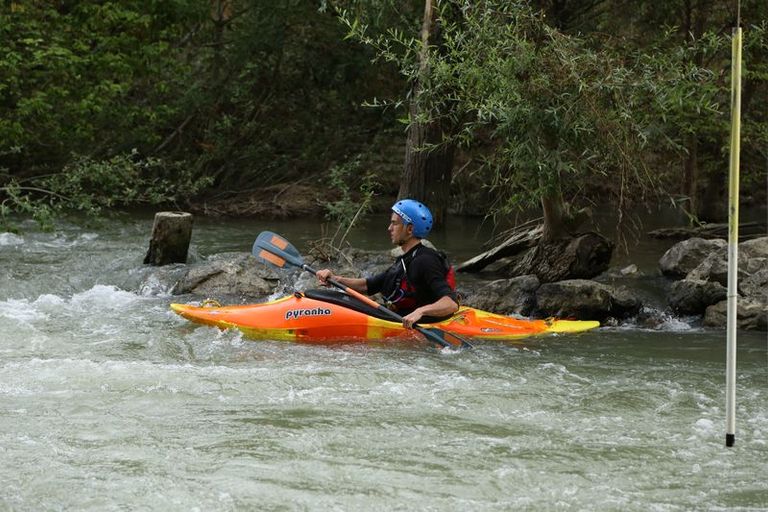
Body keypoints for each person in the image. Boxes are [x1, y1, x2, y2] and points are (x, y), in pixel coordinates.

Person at [316, 199, 459, 329]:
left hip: (425, 323)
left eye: (394, 223)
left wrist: (420, 312)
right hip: (400, 318)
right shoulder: (404, 260)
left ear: (409, 229)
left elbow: (451, 304)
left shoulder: (426, 260)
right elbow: (368, 285)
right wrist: (335, 279)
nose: (389, 228)